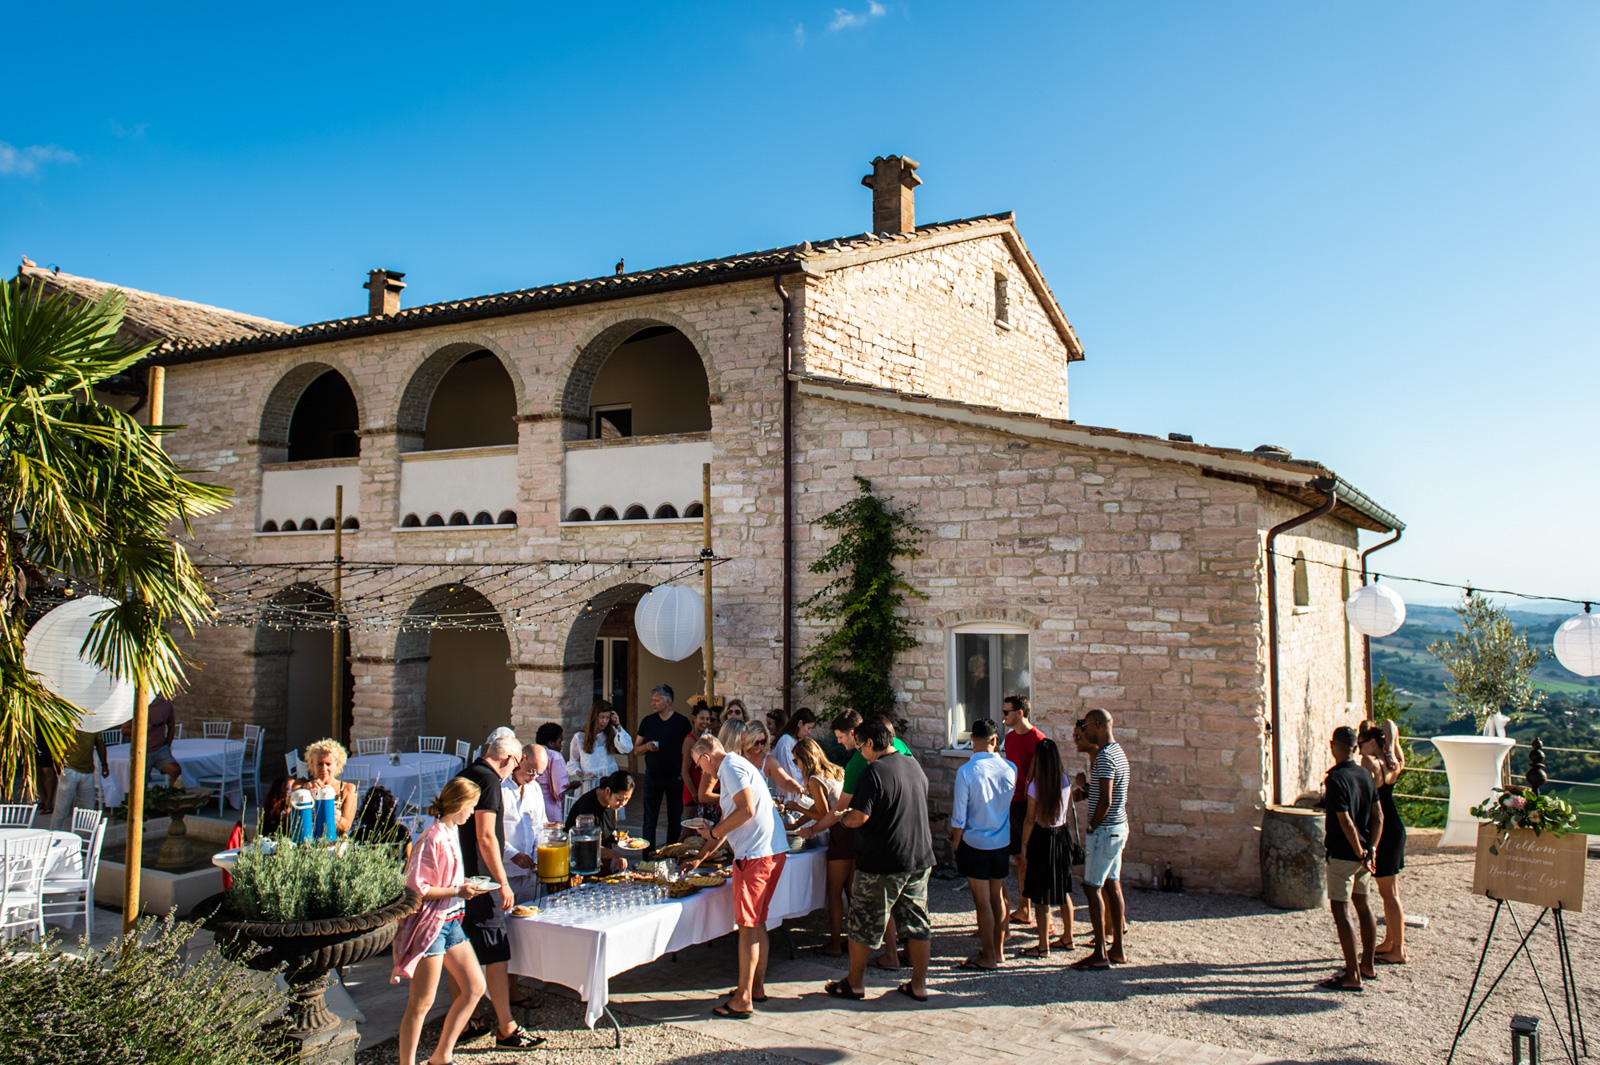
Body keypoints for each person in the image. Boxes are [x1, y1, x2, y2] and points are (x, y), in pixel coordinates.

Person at [824, 717, 935, 1004]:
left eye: (861, 746)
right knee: (918, 923)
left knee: (862, 923)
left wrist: (843, 820)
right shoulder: (913, 764)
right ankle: (919, 985)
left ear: (871, 743)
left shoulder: (874, 772)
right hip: (919, 858)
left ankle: (855, 983)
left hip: (882, 860)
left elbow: (859, 815)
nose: (859, 752)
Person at [391, 776, 491, 1065]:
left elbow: (444, 878)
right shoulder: (432, 837)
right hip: (431, 926)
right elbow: (415, 888)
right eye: (471, 806)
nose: (472, 812)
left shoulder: (450, 830)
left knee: (474, 987)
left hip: (451, 921)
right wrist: (458, 890)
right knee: (421, 1003)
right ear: (458, 805)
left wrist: (462, 885)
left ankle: (442, 1056)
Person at [800, 712, 912, 968]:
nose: (838, 743)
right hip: (910, 830)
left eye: (840, 737)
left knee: (879, 898)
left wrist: (815, 829)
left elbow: (840, 810)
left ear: (854, 735)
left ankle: (888, 955)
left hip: (882, 837)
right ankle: (907, 951)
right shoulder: (899, 745)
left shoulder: (858, 763)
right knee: (906, 899)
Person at [686, 735, 787, 1018]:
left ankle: (743, 998)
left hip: (755, 856)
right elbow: (731, 821)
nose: (703, 773)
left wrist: (715, 833)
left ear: (706, 756)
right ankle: (755, 988)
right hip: (770, 851)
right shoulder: (738, 765)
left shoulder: (729, 767)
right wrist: (702, 855)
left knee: (747, 927)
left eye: (700, 766)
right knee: (758, 923)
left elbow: (746, 811)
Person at [452, 733, 542, 1049]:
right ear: (506, 759)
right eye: (514, 764)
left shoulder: (465, 773)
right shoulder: (490, 781)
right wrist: (502, 882)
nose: (512, 771)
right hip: (481, 881)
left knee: (461, 949)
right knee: (496, 952)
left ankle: (468, 1021)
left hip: (459, 879)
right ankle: (507, 1027)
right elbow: (486, 836)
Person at [948, 717, 1016, 970]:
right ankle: (997, 951)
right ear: (994, 740)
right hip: (1001, 840)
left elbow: (958, 816)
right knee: (997, 896)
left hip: (975, 842)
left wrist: (957, 845)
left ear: (972, 741)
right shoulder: (1010, 768)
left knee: (982, 902)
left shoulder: (966, 771)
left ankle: (988, 956)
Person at [1319, 725, 1382, 992]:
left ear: (1334, 746)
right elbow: (1378, 816)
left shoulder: (1334, 780)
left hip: (1345, 854)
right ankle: (1367, 965)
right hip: (1365, 855)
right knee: (1363, 906)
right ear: (1355, 747)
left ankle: (1352, 975)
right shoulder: (1366, 776)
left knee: (1340, 910)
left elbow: (1344, 821)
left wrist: (1357, 850)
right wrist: (1372, 850)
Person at [1074, 708, 1128, 971]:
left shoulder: (1106, 757)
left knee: (1092, 886)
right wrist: (1086, 788)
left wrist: (1093, 827)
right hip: (1118, 828)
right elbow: (1100, 794)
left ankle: (1100, 953)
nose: (1084, 731)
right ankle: (1117, 947)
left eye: (1086, 726)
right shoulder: (1119, 752)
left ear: (1097, 724)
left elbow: (1105, 800)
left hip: (1105, 830)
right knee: (1112, 885)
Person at [1019, 738, 1075, 959]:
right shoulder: (1064, 780)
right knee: (1063, 890)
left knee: (1041, 895)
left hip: (1042, 838)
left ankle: (1043, 945)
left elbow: (1030, 819)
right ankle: (1068, 937)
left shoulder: (1035, 785)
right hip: (1062, 835)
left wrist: (1024, 845)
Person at [1360, 719, 1408, 964]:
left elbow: (1364, 769)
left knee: (1389, 893)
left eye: (1361, 744)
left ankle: (1398, 949)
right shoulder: (1394, 761)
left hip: (1385, 830)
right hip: (1396, 827)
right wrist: (1389, 748)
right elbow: (1390, 725)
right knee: (1391, 890)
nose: (1359, 750)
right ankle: (1390, 941)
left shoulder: (1371, 763)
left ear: (1371, 743)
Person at [1001, 695, 1046, 929]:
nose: (1003, 716)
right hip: (1013, 802)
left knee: (1031, 858)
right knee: (1018, 857)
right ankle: (1024, 907)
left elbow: (1043, 776)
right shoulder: (1008, 739)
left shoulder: (1038, 740)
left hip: (1030, 805)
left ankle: (1039, 913)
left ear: (1019, 713)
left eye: (1006, 712)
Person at [633, 683, 692, 853]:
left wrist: (684, 772)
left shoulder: (681, 722)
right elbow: (636, 749)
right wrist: (646, 747)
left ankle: (670, 854)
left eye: (657, 700)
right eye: (652, 700)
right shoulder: (648, 721)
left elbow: (688, 749)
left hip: (675, 778)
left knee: (674, 819)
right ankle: (647, 856)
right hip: (652, 777)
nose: (653, 703)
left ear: (668, 702)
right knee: (650, 819)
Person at [501, 744, 548, 902]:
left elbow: (541, 826)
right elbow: (490, 832)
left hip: (530, 874)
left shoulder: (534, 788)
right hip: (505, 873)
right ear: (522, 760)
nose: (534, 777)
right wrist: (513, 854)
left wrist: (537, 857)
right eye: (532, 771)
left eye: (538, 774)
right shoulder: (500, 787)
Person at [564, 769, 635, 873]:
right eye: (619, 799)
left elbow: (608, 832)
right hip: (579, 864)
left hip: (599, 863)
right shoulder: (587, 807)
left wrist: (620, 837)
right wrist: (614, 854)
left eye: (626, 799)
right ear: (607, 791)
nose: (622, 804)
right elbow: (588, 846)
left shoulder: (611, 804)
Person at [295, 739, 359, 836]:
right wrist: (303, 792)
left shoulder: (348, 789)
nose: (324, 769)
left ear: (337, 765)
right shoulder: (301, 785)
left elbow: (345, 827)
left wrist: (326, 807)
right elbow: (289, 811)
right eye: (319, 764)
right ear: (312, 764)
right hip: (306, 841)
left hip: (334, 843)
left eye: (328, 764)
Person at [568, 700, 633, 793]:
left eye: (607, 718)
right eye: (601, 717)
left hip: (609, 782)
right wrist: (578, 773)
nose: (604, 721)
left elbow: (627, 748)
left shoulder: (611, 733)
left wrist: (618, 725)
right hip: (589, 783)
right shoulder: (580, 737)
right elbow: (573, 761)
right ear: (594, 717)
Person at [50, 730, 108, 831]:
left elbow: (100, 744)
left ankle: (86, 837)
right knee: (61, 807)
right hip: (69, 769)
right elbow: (56, 744)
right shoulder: (68, 723)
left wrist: (104, 764)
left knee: (88, 809)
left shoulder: (94, 725)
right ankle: (54, 834)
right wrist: (59, 765)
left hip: (88, 771)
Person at [128, 694, 184, 788]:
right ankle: (144, 801)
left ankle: (171, 796)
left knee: (175, 770)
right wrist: (142, 728)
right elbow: (124, 730)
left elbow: (171, 726)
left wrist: (167, 745)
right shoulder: (135, 704)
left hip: (160, 749)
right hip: (142, 751)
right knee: (140, 784)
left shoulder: (166, 704)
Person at [681, 702, 719, 833]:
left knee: (701, 828)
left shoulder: (705, 738)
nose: (705, 722)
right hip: (693, 790)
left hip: (703, 789)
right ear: (694, 718)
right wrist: (694, 794)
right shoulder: (690, 740)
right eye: (702, 718)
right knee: (689, 829)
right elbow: (684, 771)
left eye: (708, 719)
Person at [770, 707, 816, 801]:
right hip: (785, 792)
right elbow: (788, 769)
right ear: (800, 723)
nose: (809, 732)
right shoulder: (785, 741)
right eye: (808, 728)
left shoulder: (793, 740)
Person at [533, 723, 570, 823]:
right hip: (549, 801)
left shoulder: (533, 753)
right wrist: (571, 785)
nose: (561, 745)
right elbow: (559, 786)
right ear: (551, 743)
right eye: (559, 742)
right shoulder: (555, 756)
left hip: (533, 798)